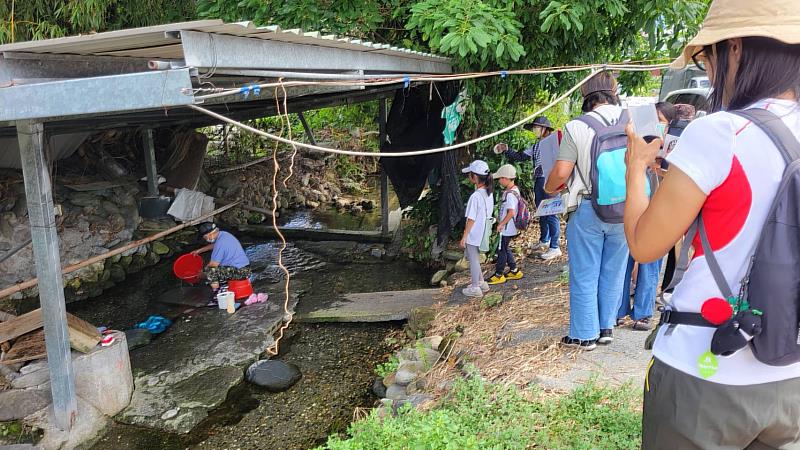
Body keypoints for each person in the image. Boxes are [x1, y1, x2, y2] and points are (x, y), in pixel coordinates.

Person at [624, 0, 800, 447]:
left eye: (708, 57)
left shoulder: (720, 132)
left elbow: (646, 245)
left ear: (735, 48)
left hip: (705, 370)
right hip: (790, 374)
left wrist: (636, 170)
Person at [544, 71, 630, 350]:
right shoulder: (635, 120)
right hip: (627, 209)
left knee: (585, 272)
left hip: (588, 209)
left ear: (586, 97)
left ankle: (583, 335)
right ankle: (606, 328)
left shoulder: (576, 127)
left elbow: (561, 172)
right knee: (614, 271)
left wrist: (550, 187)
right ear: (613, 93)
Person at [617, 102, 676, 330]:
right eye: (655, 119)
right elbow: (627, 166)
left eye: (662, 120)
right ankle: (619, 310)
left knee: (651, 263)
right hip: (635, 206)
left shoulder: (676, 147)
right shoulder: (637, 141)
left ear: (669, 124)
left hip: (660, 210)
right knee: (626, 260)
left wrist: (661, 168)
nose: (657, 125)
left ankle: (642, 313)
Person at [502, 116, 562, 259]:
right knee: (542, 210)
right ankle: (544, 240)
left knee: (551, 211)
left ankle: (555, 246)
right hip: (539, 179)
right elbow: (521, 156)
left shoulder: (553, 142)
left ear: (545, 129)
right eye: (534, 128)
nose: (535, 130)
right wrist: (507, 149)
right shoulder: (536, 146)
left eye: (537, 127)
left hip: (550, 179)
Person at [459, 160, 494, 298]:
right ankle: (481, 282)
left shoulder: (475, 196)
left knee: (473, 259)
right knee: (475, 258)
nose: (468, 177)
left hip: (474, 232)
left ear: (474, 177)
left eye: (470, 174)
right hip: (483, 230)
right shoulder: (488, 193)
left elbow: (471, 219)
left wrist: (464, 236)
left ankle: (475, 288)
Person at [486, 164, 523, 285]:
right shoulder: (514, 190)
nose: (499, 181)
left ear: (506, 178)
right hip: (510, 227)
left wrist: (501, 224)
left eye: (500, 178)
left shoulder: (510, 194)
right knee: (505, 248)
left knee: (501, 249)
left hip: (508, 227)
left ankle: (499, 274)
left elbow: (511, 212)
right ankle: (514, 270)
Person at [192, 222, 251, 292]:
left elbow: (212, 265)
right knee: (213, 270)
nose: (205, 239)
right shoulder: (223, 234)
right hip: (246, 268)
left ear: (209, 235)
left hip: (240, 272)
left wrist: (201, 274)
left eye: (205, 237)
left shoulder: (220, 244)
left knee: (210, 271)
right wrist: (199, 251)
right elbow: (215, 245)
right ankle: (223, 283)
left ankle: (218, 293)